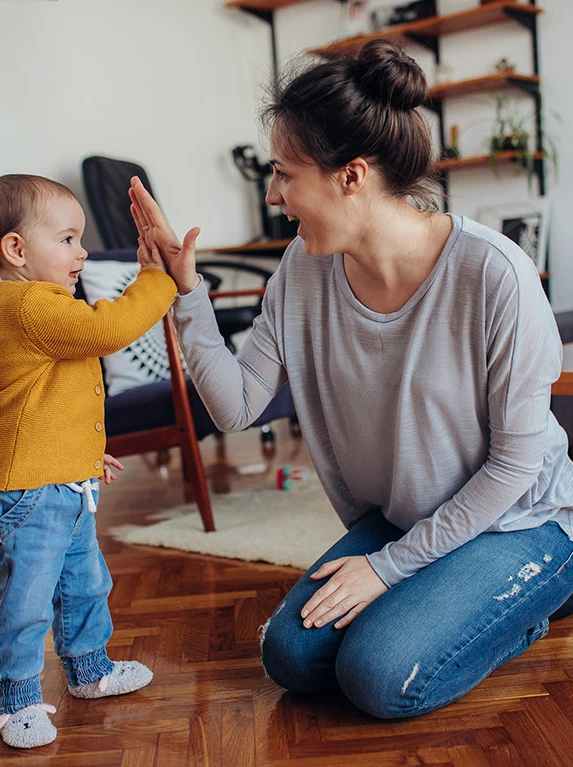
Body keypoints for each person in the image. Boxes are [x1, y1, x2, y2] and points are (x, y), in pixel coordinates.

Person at [129, 38, 573, 720]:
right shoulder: (302, 272)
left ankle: (524, 605)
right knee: (291, 656)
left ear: (352, 175)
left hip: (523, 520)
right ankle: (455, 604)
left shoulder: (492, 274)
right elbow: (236, 407)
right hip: (406, 518)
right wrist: (183, 295)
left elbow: (514, 466)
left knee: (379, 674)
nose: (273, 195)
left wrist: (387, 568)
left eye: (284, 174)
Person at [0, 174, 177, 748]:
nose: (81, 251)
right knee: (27, 603)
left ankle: (89, 670)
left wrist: (84, 455)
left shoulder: (47, 305)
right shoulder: (29, 305)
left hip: (61, 484)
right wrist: (156, 281)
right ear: (16, 250)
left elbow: (49, 401)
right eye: (66, 239)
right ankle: (17, 701)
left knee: (84, 584)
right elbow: (109, 329)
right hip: (21, 496)